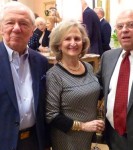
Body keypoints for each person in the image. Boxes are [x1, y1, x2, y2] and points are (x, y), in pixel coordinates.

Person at [45, 20, 105, 150]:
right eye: (67, 39)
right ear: (59, 45)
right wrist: (84, 126)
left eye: (77, 38)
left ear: (83, 43)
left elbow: (93, 92)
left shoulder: (88, 67)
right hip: (67, 138)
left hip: (88, 135)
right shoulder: (54, 75)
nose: (73, 43)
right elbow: (51, 116)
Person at [97, 8, 133, 150]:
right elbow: (96, 88)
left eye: (131, 25)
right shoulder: (108, 57)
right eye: (120, 26)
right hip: (113, 137)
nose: (124, 30)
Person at [0, 1, 50, 150]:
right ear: (2, 28)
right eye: (10, 22)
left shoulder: (41, 62)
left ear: (32, 29)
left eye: (23, 23)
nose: (16, 28)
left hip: (34, 141)